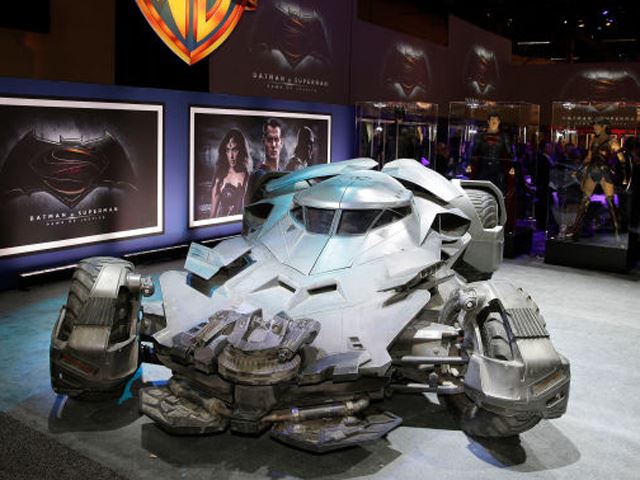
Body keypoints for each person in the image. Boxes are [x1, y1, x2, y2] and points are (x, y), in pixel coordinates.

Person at [566, 118, 627, 240]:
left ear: (604, 126)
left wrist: (624, 176)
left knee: (610, 202)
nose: (594, 127)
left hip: (605, 172)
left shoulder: (612, 141)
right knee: (584, 200)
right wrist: (579, 169)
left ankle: (618, 229)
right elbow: (589, 158)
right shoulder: (593, 140)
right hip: (593, 171)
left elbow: (622, 159)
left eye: (596, 125)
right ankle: (576, 229)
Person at [210, 129, 251, 218]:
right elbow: (212, 215)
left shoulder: (247, 177)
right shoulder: (220, 177)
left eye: (235, 150)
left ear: (241, 150)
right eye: (228, 150)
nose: (231, 156)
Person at [470, 112, 512, 193]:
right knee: (480, 190)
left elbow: (509, 154)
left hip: (498, 167)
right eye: (492, 120)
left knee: (500, 190)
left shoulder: (504, 137)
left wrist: (510, 167)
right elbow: (474, 152)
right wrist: (471, 164)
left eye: (496, 120)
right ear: (488, 121)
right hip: (483, 167)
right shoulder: (480, 136)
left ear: (499, 122)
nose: (494, 123)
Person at [245, 118, 284, 204]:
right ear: (264, 142)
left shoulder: (283, 176)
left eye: (276, 139)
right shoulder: (258, 177)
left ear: (281, 143)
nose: (273, 145)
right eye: (270, 140)